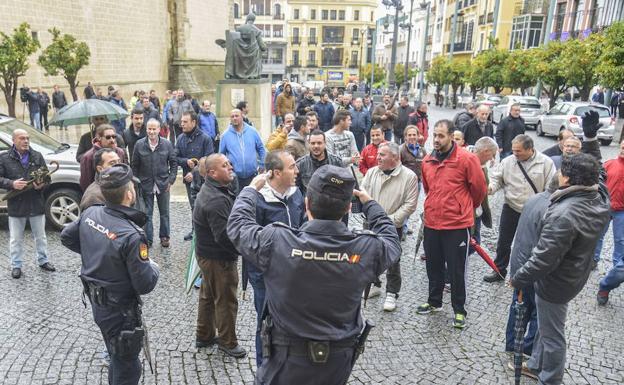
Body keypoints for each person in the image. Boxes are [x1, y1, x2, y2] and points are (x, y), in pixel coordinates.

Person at [226, 164, 402, 385]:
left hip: (285, 363)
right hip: (337, 364)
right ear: (348, 208)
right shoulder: (365, 248)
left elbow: (238, 226)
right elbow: (392, 241)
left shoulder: (278, 241)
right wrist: (370, 204)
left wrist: (251, 190)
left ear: (307, 203)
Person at [511, 154, 610, 385]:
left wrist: (517, 278)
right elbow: (600, 173)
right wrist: (591, 138)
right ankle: (536, 364)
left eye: (560, 170)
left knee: (553, 334)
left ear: (566, 178)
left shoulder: (563, 214)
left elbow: (544, 259)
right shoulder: (599, 195)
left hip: (556, 283)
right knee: (546, 326)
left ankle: (551, 378)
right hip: (574, 274)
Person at [61, 164, 159, 385]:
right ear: (129, 194)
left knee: (116, 356)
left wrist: (99, 255)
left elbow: (67, 236)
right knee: (128, 367)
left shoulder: (91, 212)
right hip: (120, 311)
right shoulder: (133, 235)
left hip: (99, 305)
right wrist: (154, 267)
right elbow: (145, 284)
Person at [417, 120, 487, 329]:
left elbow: (479, 190)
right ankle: (434, 301)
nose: (436, 140)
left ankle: (459, 309)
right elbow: (428, 188)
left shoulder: (467, 159)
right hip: (432, 223)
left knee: (456, 270)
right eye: (434, 136)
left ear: (450, 136)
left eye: (441, 136)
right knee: (433, 266)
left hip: (456, 225)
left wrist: (462, 207)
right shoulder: (427, 161)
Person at [244, 150, 305, 367]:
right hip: (265, 277)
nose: (297, 171)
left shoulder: (297, 194)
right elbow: (250, 244)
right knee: (265, 325)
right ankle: (264, 370)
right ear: (276, 173)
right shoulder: (259, 200)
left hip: (294, 273)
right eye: (292, 167)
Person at [193, 154, 247, 358]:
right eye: (225, 165)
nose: (230, 167)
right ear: (212, 173)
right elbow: (225, 236)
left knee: (207, 295)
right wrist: (242, 250)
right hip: (218, 258)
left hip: (207, 255)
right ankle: (228, 341)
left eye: (229, 163)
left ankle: (204, 335)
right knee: (225, 299)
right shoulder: (215, 199)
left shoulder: (212, 190)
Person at [484, 135, 556, 282]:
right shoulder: (507, 161)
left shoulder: (546, 163)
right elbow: (497, 179)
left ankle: (525, 274)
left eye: (518, 151)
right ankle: (499, 270)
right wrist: (490, 188)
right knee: (503, 241)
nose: (515, 154)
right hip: (511, 207)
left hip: (534, 212)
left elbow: (551, 187)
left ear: (530, 149)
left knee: (530, 244)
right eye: (513, 150)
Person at [504, 176, 559, 365]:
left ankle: (512, 344)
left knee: (518, 307)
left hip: (520, 264)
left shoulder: (534, 199)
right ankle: (527, 349)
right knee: (535, 312)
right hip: (533, 270)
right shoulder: (553, 209)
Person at [361, 142, 418, 312]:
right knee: (370, 255)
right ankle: (375, 284)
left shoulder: (409, 177)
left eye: (382, 155)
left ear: (395, 157)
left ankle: (392, 293)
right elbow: (363, 193)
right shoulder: (372, 172)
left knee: (393, 259)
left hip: (394, 225)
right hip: (371, 222)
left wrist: (389, 221)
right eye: (378, 154)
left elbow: (410, 204)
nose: (377, 157)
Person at [0, 129, 55, 279]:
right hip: (16, 204)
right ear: (14, 141)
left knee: (41, 236)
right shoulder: (4, 158)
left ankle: (43, 261)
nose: (26, 141)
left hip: (35, 202)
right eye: (22, 138)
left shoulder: (37, 155)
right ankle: (16, 265)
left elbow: (47, 179)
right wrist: (11, 183)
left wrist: (41, 185)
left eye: (27, 138)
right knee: (16, 238)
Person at [132, 118, 177, 248]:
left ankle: (164, 237)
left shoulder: (167, 144)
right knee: (147, 214)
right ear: (146, 129)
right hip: (145, 185)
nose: (151, 131)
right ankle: (148, 239)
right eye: (149, 129)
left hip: (163, 184)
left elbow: (173, 163)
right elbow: (134, 166)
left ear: (159, 130)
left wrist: (171, 180)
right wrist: (136, 183)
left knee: (164, 213)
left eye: (154, 129)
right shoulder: (139, 144)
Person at [175, 111, 215, 240]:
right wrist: (185, 161)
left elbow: (209, 159)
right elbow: (175, 157)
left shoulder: (205, 138)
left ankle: (207, 231)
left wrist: (195, 172)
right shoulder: (180, 138)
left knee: (206, 206)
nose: (182, 124)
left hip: (204, 181)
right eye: (181, 122)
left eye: (185, 122)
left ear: (194, 122)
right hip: (188, 180)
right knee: (193, 206)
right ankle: (195, 230)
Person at [596, 139, 624, 305]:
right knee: (598, 235)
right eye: (622, 147)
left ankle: (616, 266)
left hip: (622, 211)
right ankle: (593, 259)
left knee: (620, 240)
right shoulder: (610, 164)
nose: (623, 150)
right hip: (606, 208)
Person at [220, 109, 266, 189]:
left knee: (252, 199)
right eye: (232, 116)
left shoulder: (252, 131)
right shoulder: (225, 135)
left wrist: (262, 164)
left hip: (252, 175)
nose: (234, 118)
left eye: (237, 116)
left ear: (242, 117)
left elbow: (261, 149)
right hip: (235, 177)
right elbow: (221, 156)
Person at [80, 124, 128, 192]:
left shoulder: (120, 152)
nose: (112, 140)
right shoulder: (88, 157)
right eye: (108, 137)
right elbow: (86, 183)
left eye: (114, 137)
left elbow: (125, 172)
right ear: (99, 138)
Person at [296, 130, 343, 196]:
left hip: (332, 203)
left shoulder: (336, 162)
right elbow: (296, 190)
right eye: (313, 143)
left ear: (325, 143)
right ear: (308, 144)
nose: (316, 146)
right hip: (309, 204)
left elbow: (343, 186)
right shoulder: (300, 164)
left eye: (319, 143)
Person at [470, 137, 498, 248]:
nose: (492, 158)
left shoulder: (481, 165)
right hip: (469, 215)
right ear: (486, 151)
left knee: (474, 243)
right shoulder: (468, 164)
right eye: (493, 154)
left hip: (476, 214)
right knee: (472, 245)